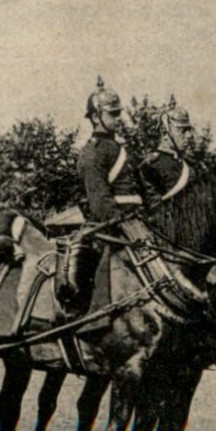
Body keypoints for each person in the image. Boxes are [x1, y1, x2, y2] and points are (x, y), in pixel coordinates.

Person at [58, 78, 144, 313]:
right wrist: (129, 227)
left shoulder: (121, 149)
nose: (118, 119)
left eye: (119, 113)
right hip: (112, 229)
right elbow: (101, 204)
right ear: (96, 117)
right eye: (112, 114)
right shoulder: (92, 154)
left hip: (139, 225)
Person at [139, 106, 196, 203]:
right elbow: (154, 210)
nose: (189, 135)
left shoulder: (190, 164)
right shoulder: (150, 167)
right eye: (182, 130)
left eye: (189, 130)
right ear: (164, 132)